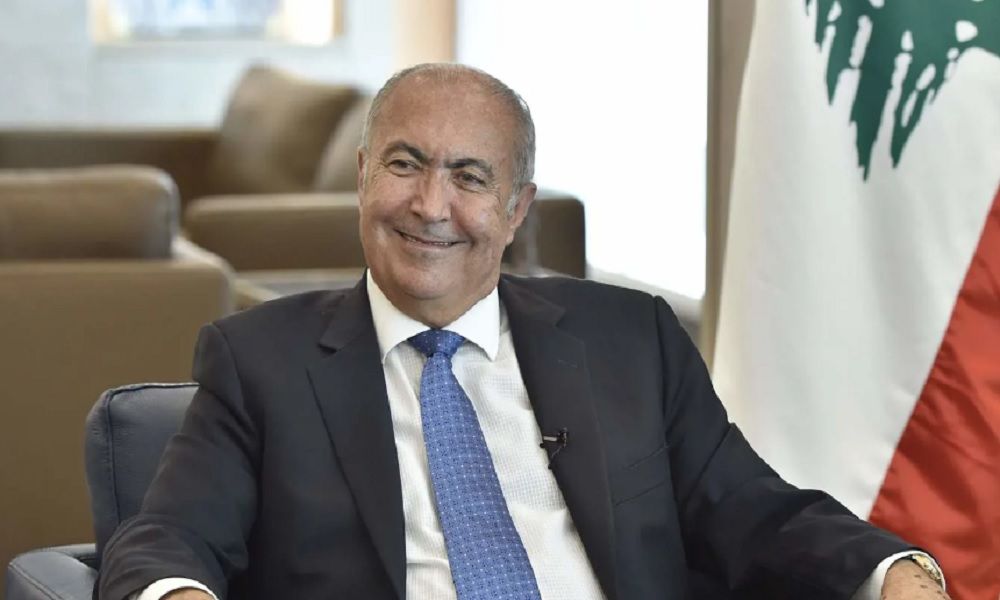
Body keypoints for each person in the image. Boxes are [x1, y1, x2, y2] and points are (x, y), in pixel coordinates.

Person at [98, 64, 949, 600]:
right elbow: (166, 538)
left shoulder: (632, 341)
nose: (431, 206)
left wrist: (895, 574)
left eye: (470, 178)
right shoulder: (260, 360)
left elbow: (753, 512)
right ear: (361, 178)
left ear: (516, 211)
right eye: (404, 164)